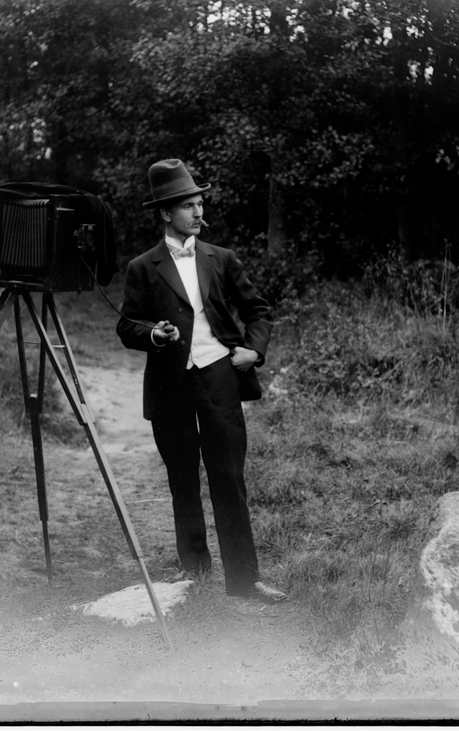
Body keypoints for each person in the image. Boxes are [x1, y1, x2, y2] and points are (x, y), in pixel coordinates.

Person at [116, 159, 287, 603]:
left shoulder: (221, 258)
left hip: (219, 378)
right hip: (169, 385)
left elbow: (258, 311)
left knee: (229, 478)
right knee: (182, 480)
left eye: (199, 204)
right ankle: (194, 576)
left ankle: (244, 581)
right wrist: (154, 335)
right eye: (188, 206)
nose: (198, 213)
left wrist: (254, 351)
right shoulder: (143, 267)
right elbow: (127, 325)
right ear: (165, 213)